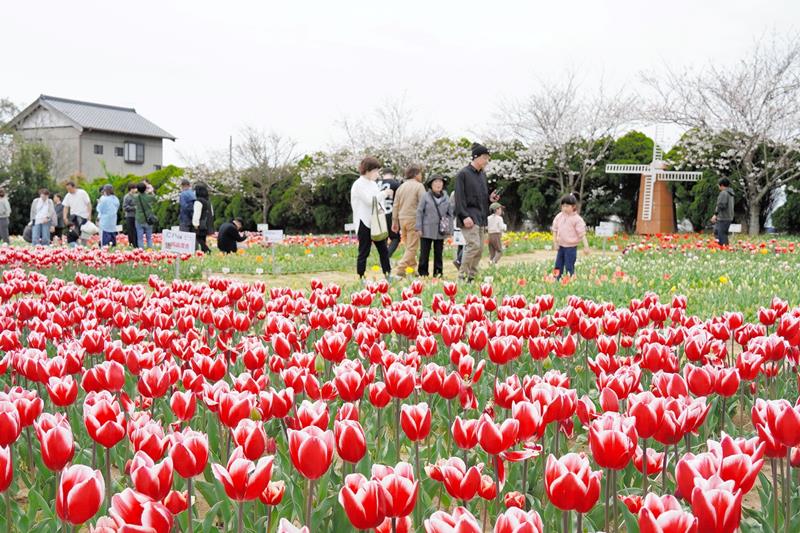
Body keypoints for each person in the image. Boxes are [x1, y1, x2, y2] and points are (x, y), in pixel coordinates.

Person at [454, 143, 500, 282]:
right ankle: (462, 276)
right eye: (485, 157)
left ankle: (471, 277)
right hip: (468, 216)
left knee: (479, 249)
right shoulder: (463, 174)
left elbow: (481, 198)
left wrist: (490, 199)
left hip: (480, 217)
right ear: (476, 157)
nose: (487, 161)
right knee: (473, 245)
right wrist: (464, 215)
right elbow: (459, 197)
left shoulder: (482, 175)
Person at [351, 156, 393, 280]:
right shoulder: (358, 184)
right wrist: (385, 193)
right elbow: (370, 201)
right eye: (375, 171)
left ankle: (387, 275)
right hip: (363, 222)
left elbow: (378, 203)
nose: (377, 173)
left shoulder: (373, 184)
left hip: (376, 221)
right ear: (368, 170)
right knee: (364, 251)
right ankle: (361, 277)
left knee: (383, 250)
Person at [392, 164, 426, 276]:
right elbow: (423, 203)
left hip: (402, 219)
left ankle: (411, 269)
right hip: (414, 218)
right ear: (416, 174)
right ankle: (401, 267)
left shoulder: (401, 187)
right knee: (412, 247)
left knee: (408, 245)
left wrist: (394, 221)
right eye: (420, 173)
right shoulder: (419, 186)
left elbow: (395, 205)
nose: (421, 176)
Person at [416, 175, 453, 277]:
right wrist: (418, 227)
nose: (438, 184)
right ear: (431, 185)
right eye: (436, 182)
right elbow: (419, 212)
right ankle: (423, 273)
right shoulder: (425, 196)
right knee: (424, 253)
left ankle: (438, 273)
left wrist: (450, 229)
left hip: (440, 229)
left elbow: (450, 213)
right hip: (426, 228)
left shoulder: (446, 196)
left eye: (440, 182)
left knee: (439, 252)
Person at [551, 194, 590, 279]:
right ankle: (555, 281)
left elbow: (582, 234)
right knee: (558, 265)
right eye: (563, 206)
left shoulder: (577, 219)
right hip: (561, 246)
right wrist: (555, 242)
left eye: (567, 206)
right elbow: (554, 229)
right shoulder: (559, 216)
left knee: (569, 266)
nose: (564, 208)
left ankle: (570, 281)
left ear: (573, 206)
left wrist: (586, 246)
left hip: (571, 248)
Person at [379, 167, 402, 258]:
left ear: (383, 174)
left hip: (379, 214)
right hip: (391, 213)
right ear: (393, 175)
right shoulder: (396, 184)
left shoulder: (377, 184)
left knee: (382, 238)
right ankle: (386, 256)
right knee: (395, 238)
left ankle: (383, 258)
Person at [711, 178, 735, 246]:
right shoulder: (730, 193)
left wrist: (715, 215)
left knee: (721, 235)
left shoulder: (724, 193)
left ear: (721, 185)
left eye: (718, 185)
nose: (718, 187)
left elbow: (721, 205)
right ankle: (723, 247)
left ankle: (723, 248)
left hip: (723, 217)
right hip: (729, 216)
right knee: (720, 233)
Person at [192, 183, 213, 253]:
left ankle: (207, 250)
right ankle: (203, 251)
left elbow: (196, 214)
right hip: (207, 223)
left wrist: (195, 224)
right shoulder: (208, 201)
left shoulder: (198, 201)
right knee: (203, 238)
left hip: (201, 223)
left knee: (198, 238)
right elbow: (212, 213)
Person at [134, 182, 156, 249]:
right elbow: (155, 198)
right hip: (148, 219)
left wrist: (136, 191)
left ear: (137, 189)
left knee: (140, 238)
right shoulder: (149, 197)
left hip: (139, 219)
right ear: (145, 189)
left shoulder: (135, 197)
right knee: (149, 238)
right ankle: (150, 251)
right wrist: (151, 191)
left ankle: (141, 251)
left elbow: (133, 195)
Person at [450, 190, 464, 268]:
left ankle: (460, 261)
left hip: (456, 221)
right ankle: (459, 260)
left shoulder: (454, 193)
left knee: (461, 244)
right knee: (466, 244)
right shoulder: (460, 192)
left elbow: (451, 209)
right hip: (462, 220)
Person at [122, 183, 139, 248]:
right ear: (131, 189)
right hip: (129, 216)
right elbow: (125, 207)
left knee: (136, 231)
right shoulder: (127, 196)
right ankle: (131, 244)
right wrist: (134, 208)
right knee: (131, 231)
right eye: (134, 188)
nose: (135, 189)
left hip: (137, 216)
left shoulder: (137, 195)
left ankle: (136, 244)